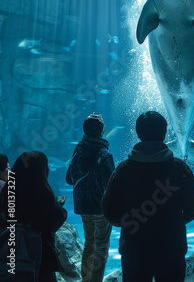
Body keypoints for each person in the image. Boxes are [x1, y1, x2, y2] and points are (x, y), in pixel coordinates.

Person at [102, 111, 194, 282]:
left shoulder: (123, 170)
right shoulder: (179, 168)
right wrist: (175, 220)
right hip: (172, 246)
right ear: (164, 133)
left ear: (138, 133)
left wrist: (131, 221)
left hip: (134, 247)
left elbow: (109, 211)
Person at [0, 151, 67, 281]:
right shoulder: (43, 194)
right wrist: (58, 205)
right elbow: (56, 220)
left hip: (8, 250)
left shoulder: (6, 191)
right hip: (40, 253)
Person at [66, 113, 115, 282]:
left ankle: (86, 280)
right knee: (101, 246)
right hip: (101, 207)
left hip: (83, 206)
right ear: (102, 131)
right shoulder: (104, 153)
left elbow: (68, 178)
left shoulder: (77, 151)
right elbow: (110, 184)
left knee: (89, 243)